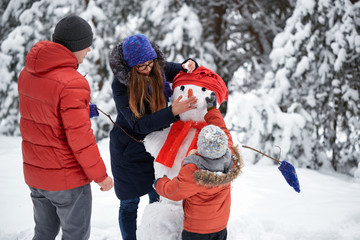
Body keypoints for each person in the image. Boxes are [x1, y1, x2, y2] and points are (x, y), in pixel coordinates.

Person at [18, 15, 113, 240]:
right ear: (74, 47)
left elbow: (43, 116)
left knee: (43, 233)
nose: (89, 50)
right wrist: (101, 176)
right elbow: (80, 139)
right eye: (85, 45)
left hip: (36, 175)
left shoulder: (28, 73)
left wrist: (79, 110)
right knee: (75, 236)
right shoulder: (72, 82)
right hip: (66, 179)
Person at [109, 34, 198, 240]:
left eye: (151, 62)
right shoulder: (121, 85)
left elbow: (183, 69)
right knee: (129, 203)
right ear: (132, 67)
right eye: (142, 66)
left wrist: (191, 63)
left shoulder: (157, 66)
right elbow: (138, 124)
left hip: (157, 147)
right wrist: (172, 111)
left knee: (158, 197)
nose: (149, 68)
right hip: (128, 150)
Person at [154, 92, 242, 240]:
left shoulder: (194, 171)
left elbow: (174, 191)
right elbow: (222, 129)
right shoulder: (230, 158)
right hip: (220, 227)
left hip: (196, 231)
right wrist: (212, 109)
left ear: (200, 146)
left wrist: (160, 183)